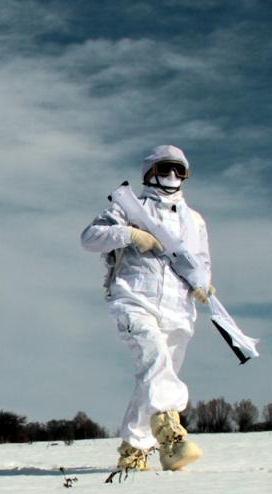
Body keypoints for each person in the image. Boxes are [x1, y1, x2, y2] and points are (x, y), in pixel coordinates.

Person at [80, 144, 212, 472]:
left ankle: (134, 449)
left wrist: (204, 283)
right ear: (149, 172)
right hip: (134, 299)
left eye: (179, 170)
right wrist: (130, 235)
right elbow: (90, 237)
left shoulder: (194, 220)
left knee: (154, 376)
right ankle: (171, 434)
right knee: (154, 360)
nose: (171, 176)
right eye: (165, 168)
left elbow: (202, 260)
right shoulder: (130, 207)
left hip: (179, 310)